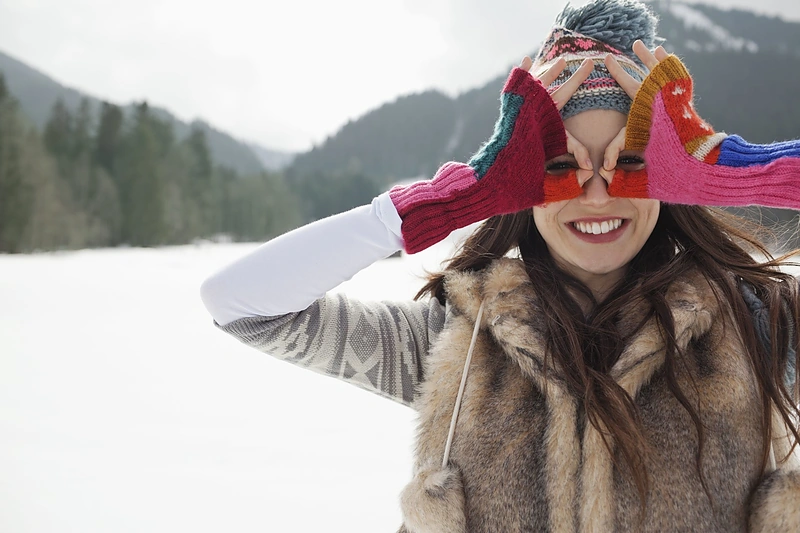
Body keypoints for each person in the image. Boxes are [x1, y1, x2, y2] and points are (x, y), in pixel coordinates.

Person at [200, 0, 800, 530]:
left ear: (674, 180)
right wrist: (456, 197)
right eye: (561, 164)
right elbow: (240, 302)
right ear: (521, 182)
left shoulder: (758, 331)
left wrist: (740, 169)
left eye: (627, 163)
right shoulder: (454, 347)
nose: (596, 194)